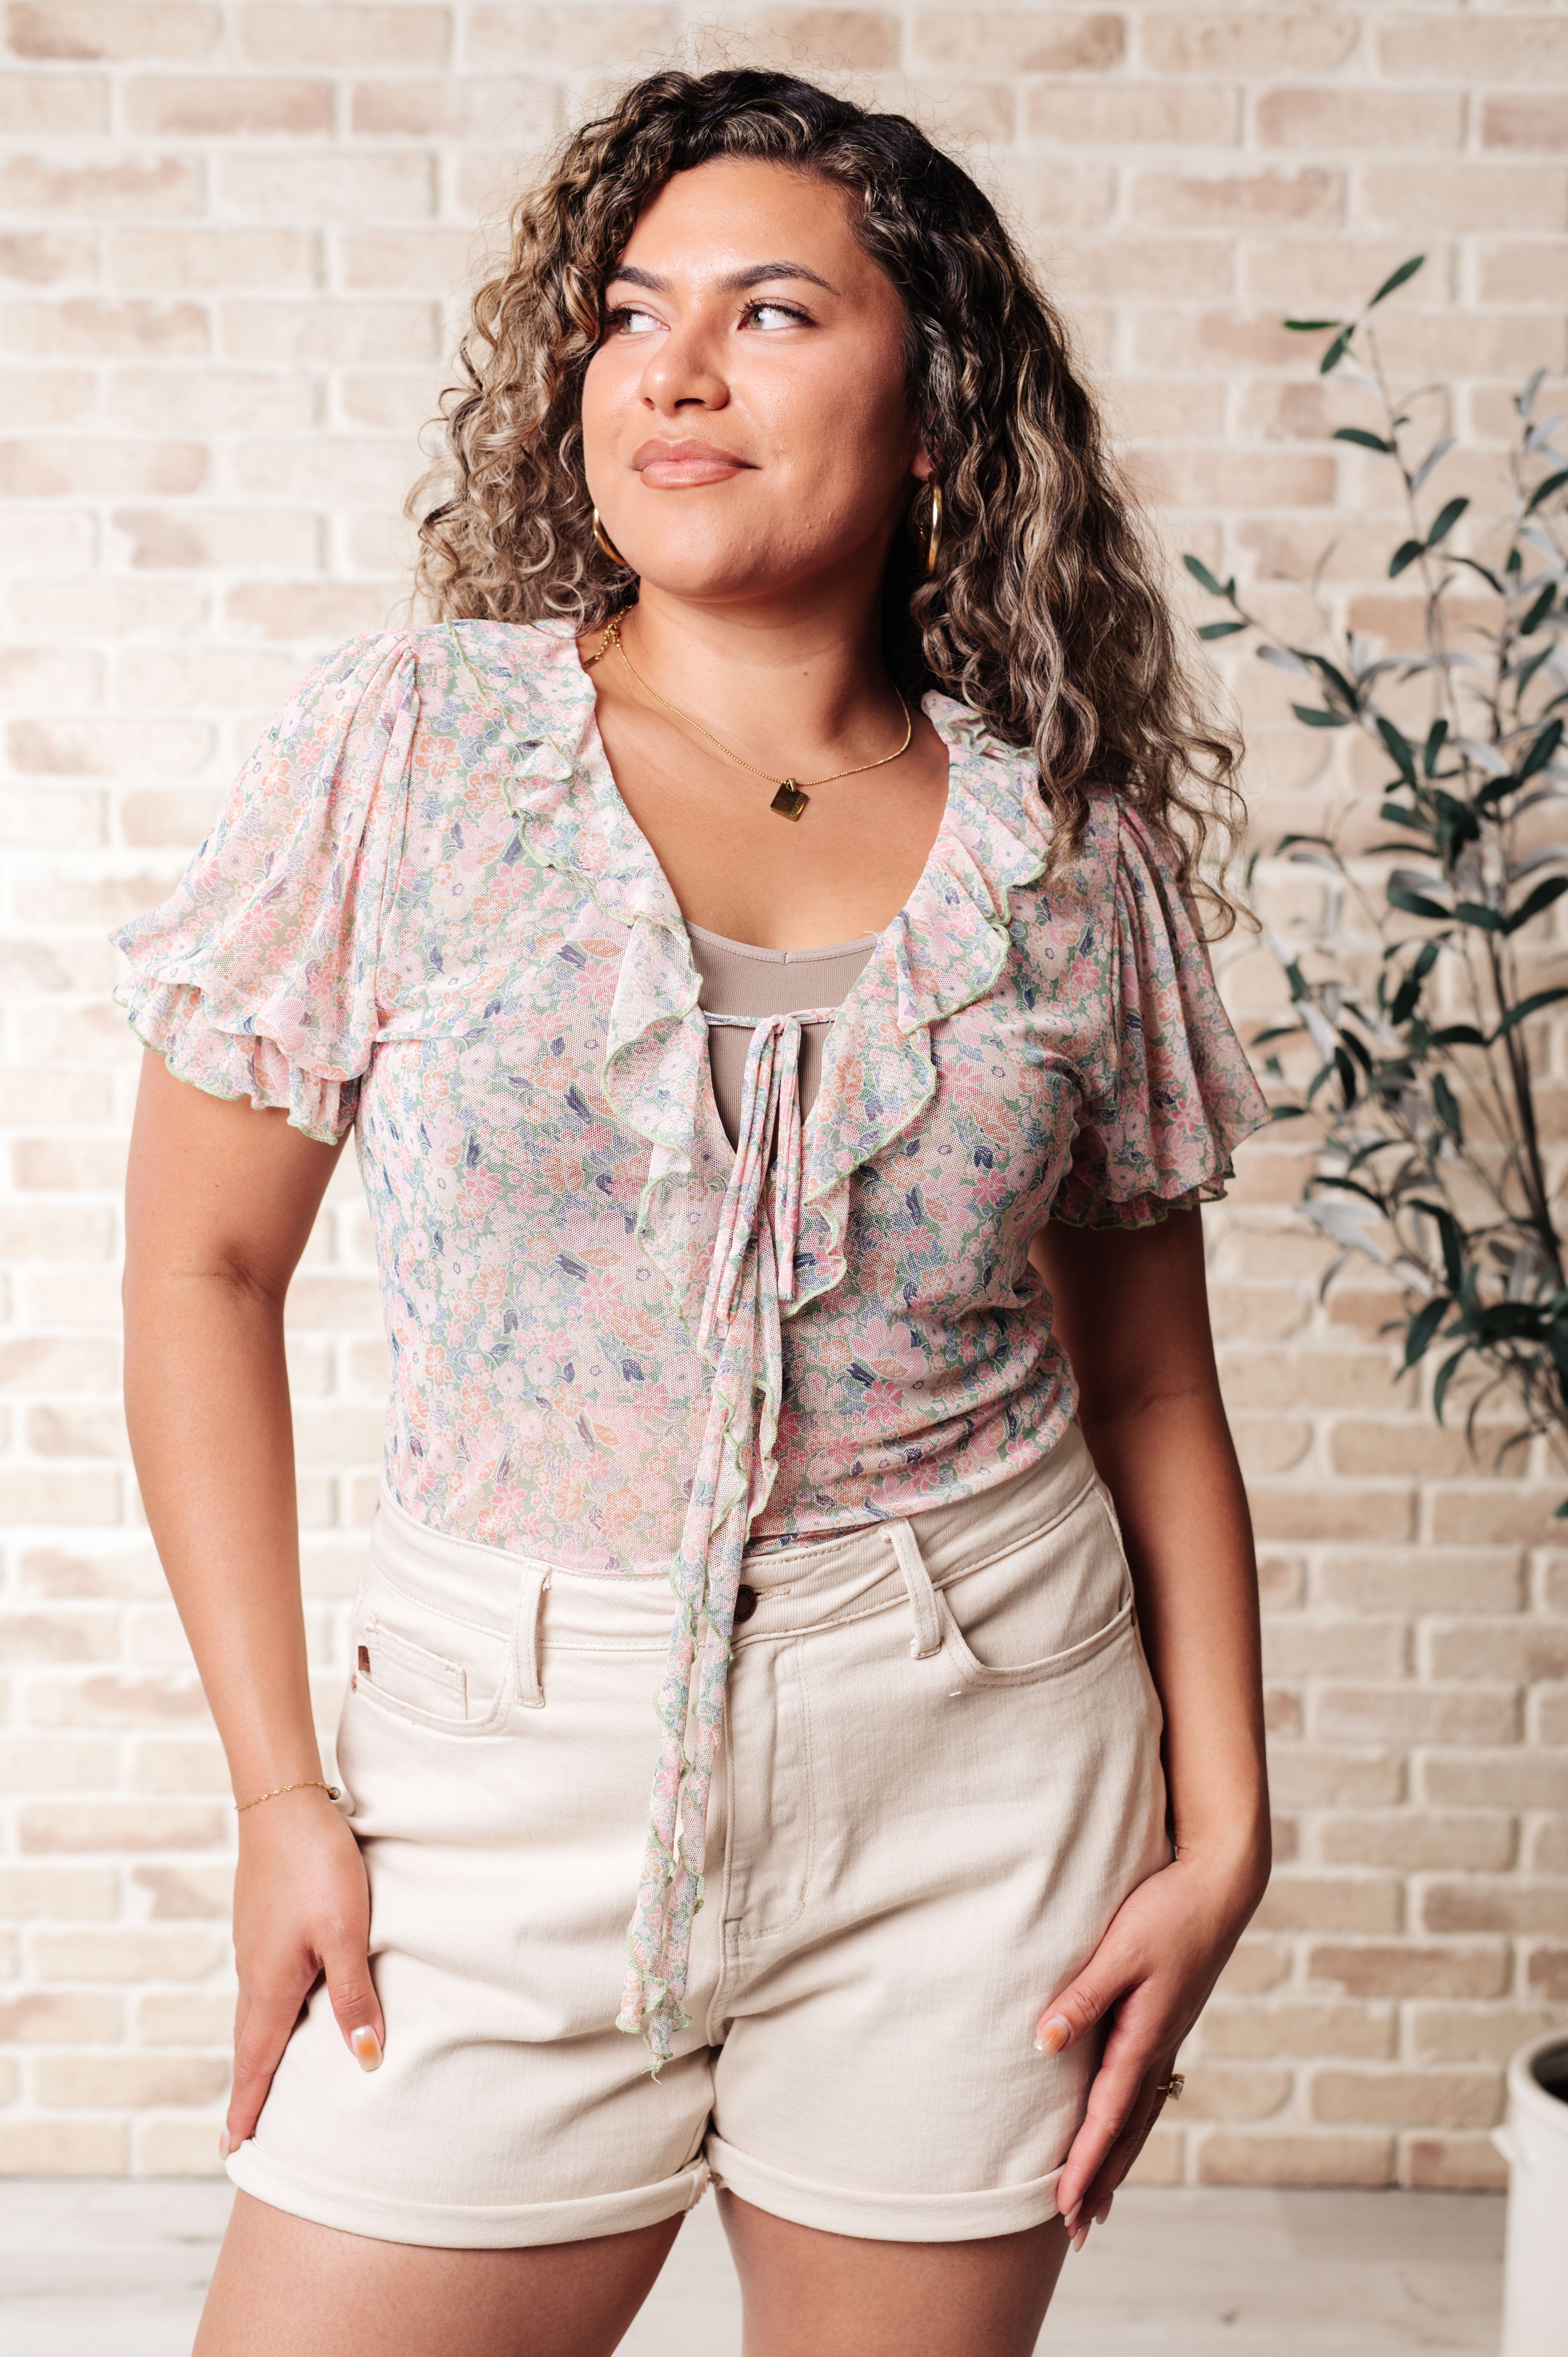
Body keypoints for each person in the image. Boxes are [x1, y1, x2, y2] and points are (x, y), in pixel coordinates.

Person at [117, 68, 1271, 2357]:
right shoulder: (407, 752)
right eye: (634, 315)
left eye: (773, 313)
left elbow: (1151, 1379)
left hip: (979, 1752)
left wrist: (1225, 1822)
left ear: (936, 416)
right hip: (499, 1762)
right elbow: (201, 1269)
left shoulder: (1068, 852)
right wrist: (278, 1795)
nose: (677, 370)